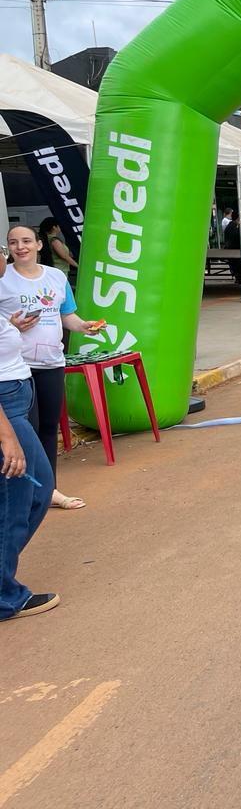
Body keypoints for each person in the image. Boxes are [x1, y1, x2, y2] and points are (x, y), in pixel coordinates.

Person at [0, 226, 104, 511]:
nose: (20, 247)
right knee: (27, 433)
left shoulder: (56, 277)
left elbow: (67, 315)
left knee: (48, 428)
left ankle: (49, 491)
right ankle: (24, 496)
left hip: (51, 362)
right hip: (17, 370)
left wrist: (84, 326)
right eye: (13, 242)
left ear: (39, 244)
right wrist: (12, 325)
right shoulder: (3, 277)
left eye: (26, 241)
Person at [0, 246, 58, 624]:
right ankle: (4, 596)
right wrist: (6, 436)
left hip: (15, 402)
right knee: (21, 497)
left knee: (35, 491)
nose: (6, 256)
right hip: (5, 411)